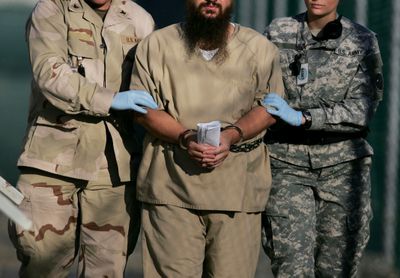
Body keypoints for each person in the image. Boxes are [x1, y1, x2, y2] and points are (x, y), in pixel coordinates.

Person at [129, 0, 284, 276]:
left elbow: (270, 109)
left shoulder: (260, 49)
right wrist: (185, 137)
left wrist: (232, 136)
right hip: (171, 191)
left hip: (237, 192)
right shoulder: (157, 46)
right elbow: (143, 110)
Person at [8, 0, 157, 276]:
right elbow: (50, 73)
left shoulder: (140, 20)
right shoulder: (52, 9)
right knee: (44, 266)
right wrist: (110, 99)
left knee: (107, 270)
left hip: (114, 169)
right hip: (53, 163)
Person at [261, 0, 384, 277]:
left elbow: (363, 108)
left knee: (337, 267)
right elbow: (255, 83)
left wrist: (306, 118)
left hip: (343, 168)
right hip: (286, 163)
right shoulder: (279, 32)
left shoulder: (361, 40)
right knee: (291, 267)